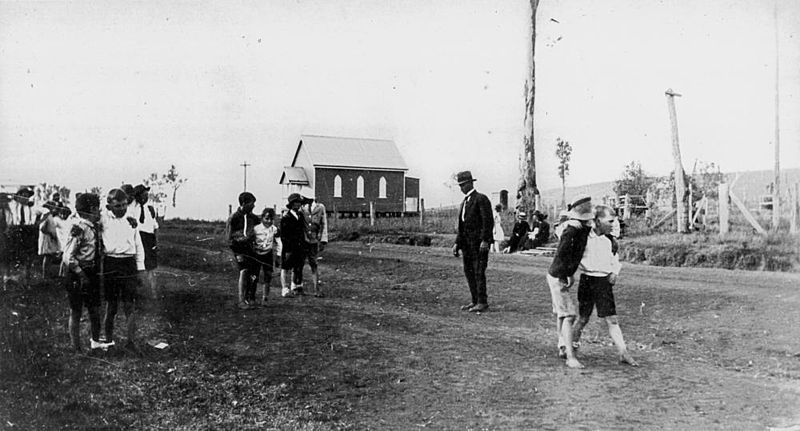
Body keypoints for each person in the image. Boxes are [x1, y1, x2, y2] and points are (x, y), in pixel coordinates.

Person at [572, 205, 639, 367]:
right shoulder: (584, 238)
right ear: (597, 221)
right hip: (587, 281)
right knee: (583, 318)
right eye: (609, 221)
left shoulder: (610, 240)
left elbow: (615, 260)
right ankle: (569, 348)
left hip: (603, 283)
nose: (612, 224)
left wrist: (614, 272)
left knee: (612, 319)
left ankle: (623, 352)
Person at [546, 195, 594, 369]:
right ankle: (570, 357)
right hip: (557, 275)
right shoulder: (572, 230)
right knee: (569, 315)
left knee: (562, 313)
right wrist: (566, 273)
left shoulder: (580, 229)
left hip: (559, 274)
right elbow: (562, 254)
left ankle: (562, 347)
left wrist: (570, 273)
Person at [100, 188, 146, 350]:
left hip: (128, 265)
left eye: (125, 205)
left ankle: (131, 342)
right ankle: (109, 340)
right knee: (111, 306)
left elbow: (139, 246)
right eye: (118, 206)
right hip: (111, 264)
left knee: (129, 305)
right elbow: (81, 215)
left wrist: (140, 269)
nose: (122, 208)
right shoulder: (103, 220)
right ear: (109, 206)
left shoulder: (131, 222)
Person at [62, 193, 105, 352]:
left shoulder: (94, 227)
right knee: (76, 310)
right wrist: (81, 274)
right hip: (77, 273)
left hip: (91, 272)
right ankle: (76, 347)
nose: (100, 212)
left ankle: (95, 342)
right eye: (98, 209)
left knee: (94, 308)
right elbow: (68, 257)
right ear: (93, 209)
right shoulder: (79, 228)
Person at [451, 171, 493, 313]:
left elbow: (488, 222)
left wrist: (485, 241)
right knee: (469, 271)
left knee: (478, 271)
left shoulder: (481, 199)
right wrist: (457, 243)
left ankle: (482, 301)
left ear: (470, 183)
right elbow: (462, 226)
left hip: (479, 245)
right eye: (460, 185)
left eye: (463, 185)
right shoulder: (464, 202)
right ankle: (475, 300)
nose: (461, 188)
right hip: (466, 245)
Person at [226, 192, 260, 309]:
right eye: (252, 203)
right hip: (239, 249)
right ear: (244, 203)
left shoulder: (254, 218)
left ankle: (251, 297)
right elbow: (229, 238)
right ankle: (241, 300)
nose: (254, 206)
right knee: (244, 271)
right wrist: (237, 251)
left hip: (252, 249)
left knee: (254, 273)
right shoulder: (234, 218)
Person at [132, 184, 160, 299]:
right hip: (138, 238)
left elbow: (155, 227)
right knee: (137, 265)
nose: (146, 197)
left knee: (151, 267)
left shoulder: (150, 209)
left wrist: (156, 242)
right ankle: (137, 292)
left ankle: (153, 293)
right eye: (143, 195)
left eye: (146, 195)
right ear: (137, 196)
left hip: (149, 239)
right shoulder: (131, 209)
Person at [279, 193, 307, 298]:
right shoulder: (286, 218)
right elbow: (283, 236)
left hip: (299, 247)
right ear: (291, 204)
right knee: (285, 267)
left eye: (299, 203)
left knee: (298, 267)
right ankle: (284, 289)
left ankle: (295, 286)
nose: (298, 205)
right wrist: (287, 249)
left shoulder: (300, 216)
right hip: (289, 248)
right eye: (296, 202)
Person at [253, 207, 281, 305]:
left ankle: (265, 298)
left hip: (268, 255)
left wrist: (278, 255)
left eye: (271, 219)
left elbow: (279, 242)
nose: (269, 221)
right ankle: (251, 296)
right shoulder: (256, 229)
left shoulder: (274, 229)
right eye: (266, 219)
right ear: (262, 218)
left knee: (268, 275)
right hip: (256, 255)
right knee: (254, 276)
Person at [300, 197, 328, 297]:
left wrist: (323, 240)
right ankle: (297, 287)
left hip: (314, 241)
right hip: (303, 241)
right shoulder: (301, 207)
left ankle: (316, 289)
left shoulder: (320, 207)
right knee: (299, 264)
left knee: (314, 264)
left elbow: (324, 224)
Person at [38, 201, 62, 278]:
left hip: (50, 238)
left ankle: (47, 273)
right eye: (52, 207)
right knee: (47, 256)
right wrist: (51, 234)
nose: (54, 208)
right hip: (47, 238)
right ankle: (45, 274)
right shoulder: (46, 215)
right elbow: (42, 228)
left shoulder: (50, 215)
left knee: (50, 256)